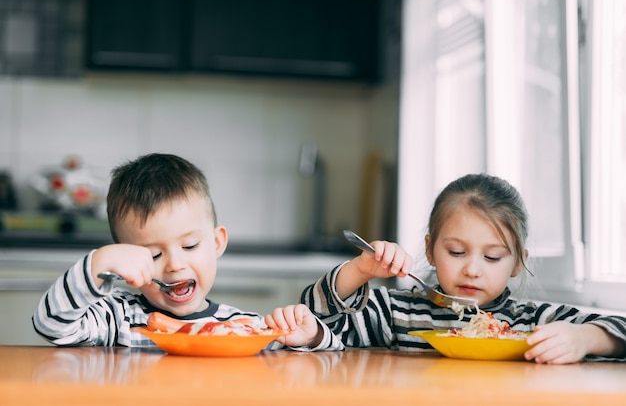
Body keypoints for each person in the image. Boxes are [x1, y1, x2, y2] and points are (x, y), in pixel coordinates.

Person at [301, 173, 626, 364]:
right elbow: (316, 319)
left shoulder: (531, 323)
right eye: (456, 252)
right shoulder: (397, 315)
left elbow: (620, 329)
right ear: (429, 249)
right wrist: (361, 269)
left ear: (517, 263)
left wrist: (585, 338)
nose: (472, 270)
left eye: (493, 257)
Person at [33, 153, 342, 351]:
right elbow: (51, 325)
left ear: (217, 242)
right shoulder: (116, 318)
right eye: (153, 255)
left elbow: (321, 355)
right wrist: (97, 264)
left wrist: (313, 336)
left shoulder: (240, 326)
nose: (175, 265)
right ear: (127, 267)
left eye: (190, 245)